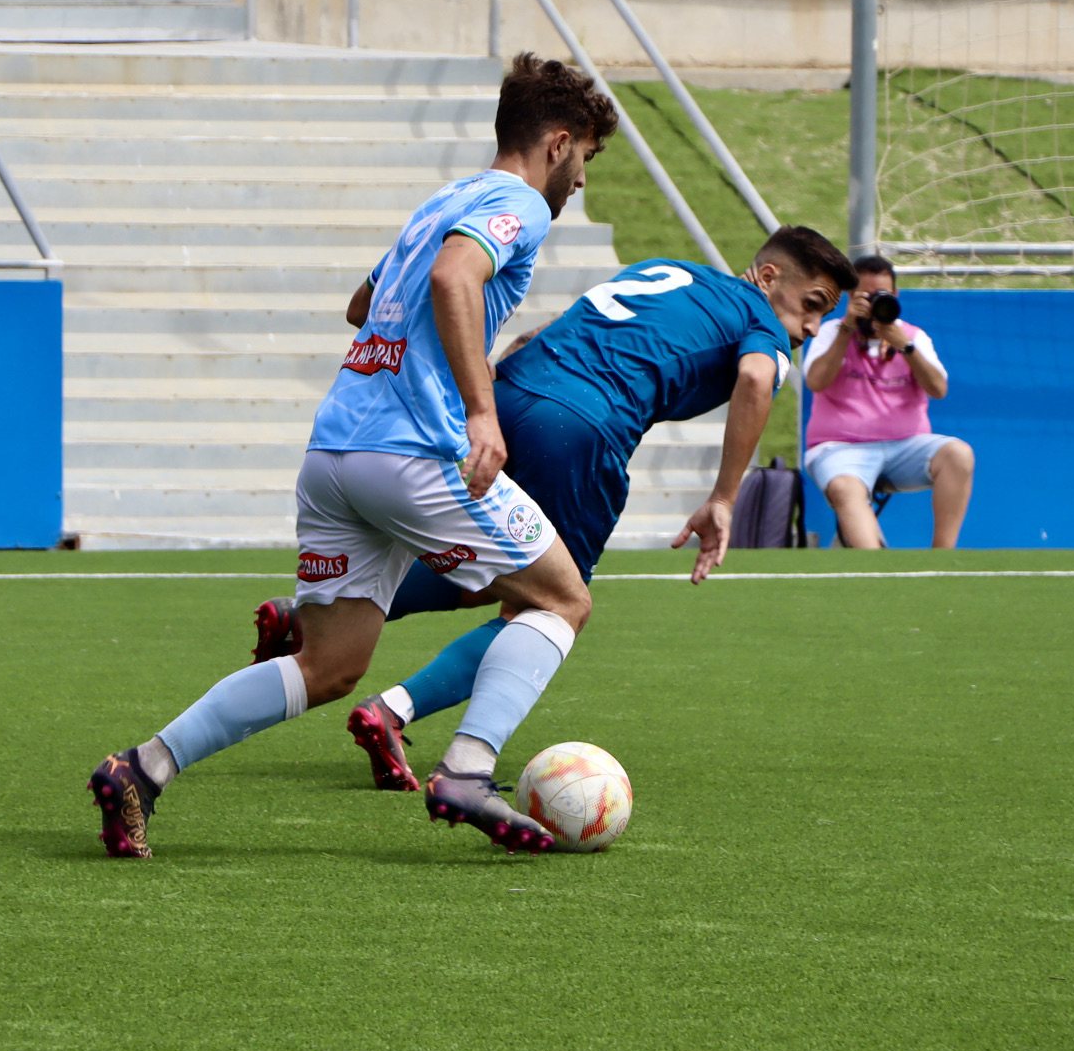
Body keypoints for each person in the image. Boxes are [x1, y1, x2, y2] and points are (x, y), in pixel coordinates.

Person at [87, 53, 620, 859]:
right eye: (584, 156)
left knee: (330, 665)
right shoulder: (517, 201)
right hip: (414, 453)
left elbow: (363, 304)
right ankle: (469, 769)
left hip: (336, 452)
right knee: (561, 600)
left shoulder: (442, 199)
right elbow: (453, 278)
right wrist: (480, 409)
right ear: (556, 142)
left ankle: (143, 767)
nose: (580, 178)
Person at [248, 226, 857, 791]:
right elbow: (755, 380)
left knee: (491, 575)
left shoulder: (668, 270)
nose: (810, 327)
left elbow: (551, 331)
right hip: (580, 430)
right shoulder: (762, 322)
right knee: (553, 606)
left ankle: (308, 617)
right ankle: (396, 713)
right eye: (812, 303)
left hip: (511, 392)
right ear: (770, 276)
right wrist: (724, 497)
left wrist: (497, 400)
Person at [801, 254, 973, 550]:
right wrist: (847, 330)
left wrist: (905, 346)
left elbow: (938, 389)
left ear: (895, 296)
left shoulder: (913, 337)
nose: (873, 304)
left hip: (905, 446)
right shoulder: (831, 332)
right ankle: (876, 563)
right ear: (851, 297)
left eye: (881, 295)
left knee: (959, 454)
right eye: (864, 296)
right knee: (845, 487)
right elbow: (816, 382)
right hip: (839, 448)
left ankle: (942, 560)